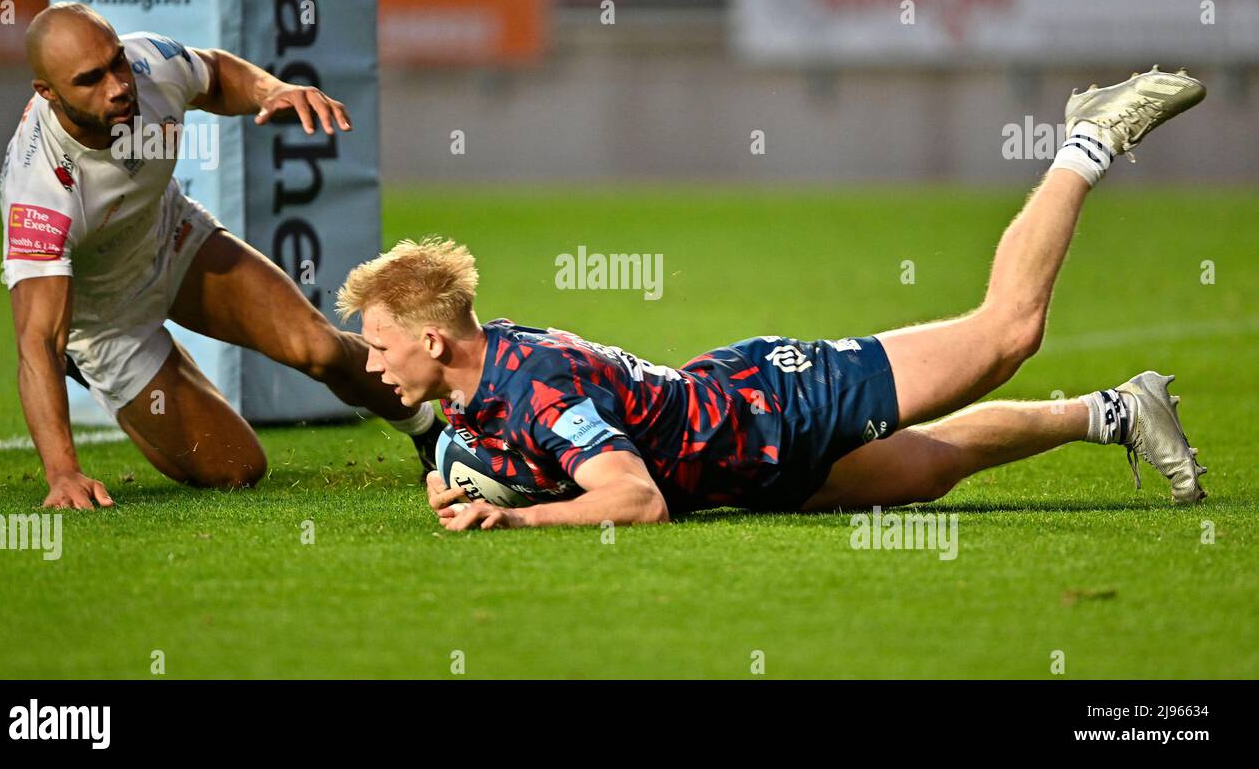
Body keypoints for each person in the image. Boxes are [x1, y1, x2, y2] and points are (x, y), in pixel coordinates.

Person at [335, 68, 1208, 531]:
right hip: (747, 459)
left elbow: (633, 500)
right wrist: (465, 485)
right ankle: (1120, 413)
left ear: (435, 342)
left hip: (782, 406)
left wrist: (513, 521)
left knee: (1007, 333)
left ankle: (1091, 135)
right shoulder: (480, 384)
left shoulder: (536, 390)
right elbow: (494, 447)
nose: (370, 362)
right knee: (930, 466)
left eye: (379, 343)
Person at [1, 2, 442, 510]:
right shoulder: (37, 192)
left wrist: (270, 90)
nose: (118, 85)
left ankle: (433, 436)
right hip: (105, 320)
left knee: (317, 347)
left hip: (171, 237)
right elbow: (37, 343)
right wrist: (63, 474)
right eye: (90, 79)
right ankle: (113, 373)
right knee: (237, 469)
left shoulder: (148, 64)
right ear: (48, 93)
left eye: (116, 61)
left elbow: (213, 74)